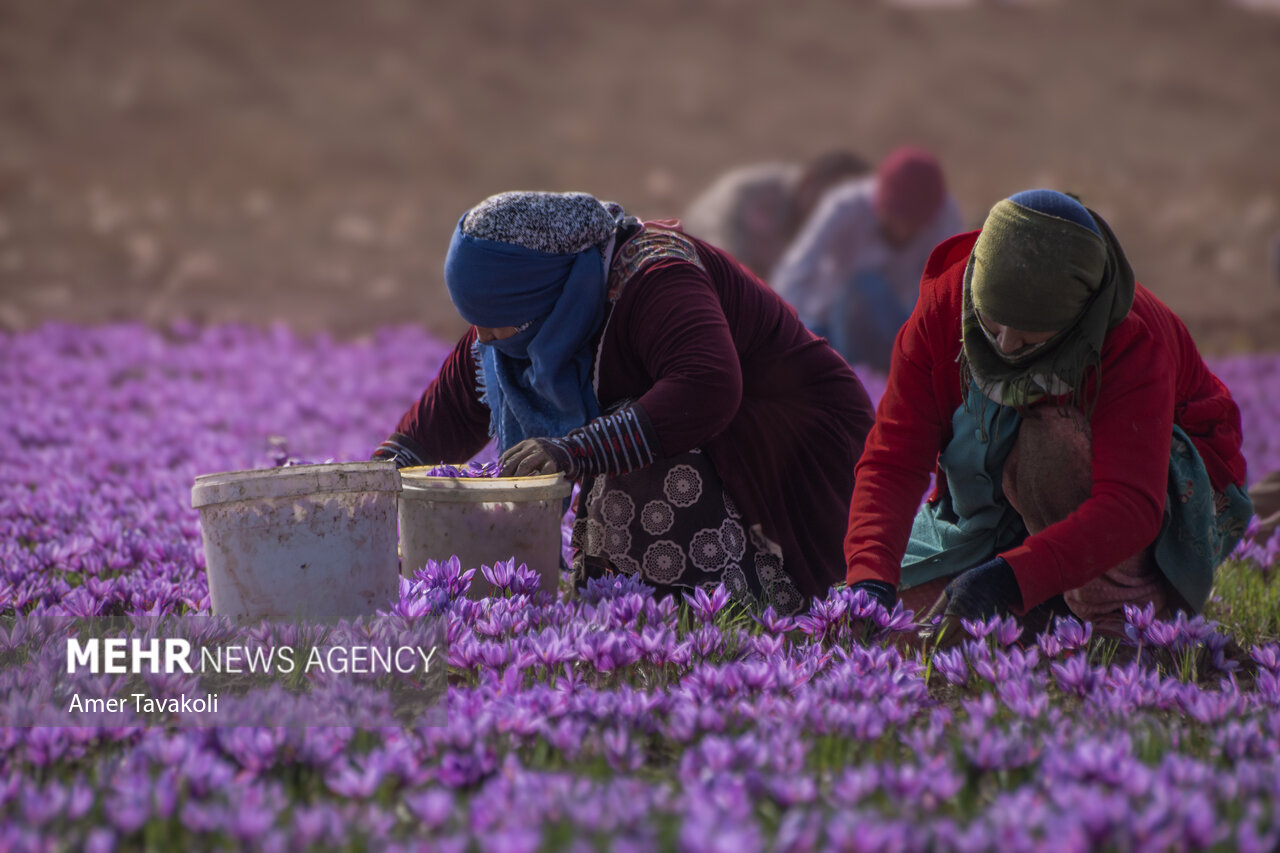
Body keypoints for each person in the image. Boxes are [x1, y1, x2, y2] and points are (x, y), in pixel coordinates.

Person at [374, 191, 875, 614]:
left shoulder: (658, 275)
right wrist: (380, 474)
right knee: (614, 458)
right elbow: (452, 409)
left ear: (549, 288)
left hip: (788, 436)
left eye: (496, 322)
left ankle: (710, 616)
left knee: (638, 470)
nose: (484, 338)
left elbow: (706, 388)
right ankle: (623, 614)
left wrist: (575, 450)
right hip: (714, 433)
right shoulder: (524, 311)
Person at [842, 189, 1254, 640]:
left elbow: (1130, 504)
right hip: (1005, 496)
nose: (1003, 348)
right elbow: (893, 461)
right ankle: (1047, 601)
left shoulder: (1127, 339)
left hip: (1162, 493)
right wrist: (870, 583)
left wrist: (1008, 579)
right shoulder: (945, 305)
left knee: (1050, 437)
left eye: (1026, 339)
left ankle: (1120, 617)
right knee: (896, 620)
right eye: (990, 327)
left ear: (1073, 321)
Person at [770, 146, 963, 373]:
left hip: (900, 329)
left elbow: (948, 293)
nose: (903, 231)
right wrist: (781, 331)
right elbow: (798, 269)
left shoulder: (944, 218)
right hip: (828, 321)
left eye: (913, 225)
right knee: (861, 289)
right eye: (897, 219)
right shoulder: (844, 207)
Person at [680, 150, 871, 280]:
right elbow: (719, 256)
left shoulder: (827, 232)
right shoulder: (748, 194)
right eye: (834, 204)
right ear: (808, 182)